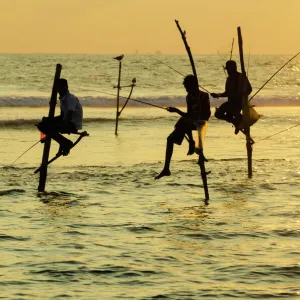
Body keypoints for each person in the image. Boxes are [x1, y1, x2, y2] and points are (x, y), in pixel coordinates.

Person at [155, 75, 211, 180]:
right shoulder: (188, 97)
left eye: (187, 87)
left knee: (183, 123)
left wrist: (194, 115)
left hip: (201, 123)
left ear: (193, 85)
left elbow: (207, 114)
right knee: (170, 138)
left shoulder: (204, 96)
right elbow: (188, 115)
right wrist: (176, 111)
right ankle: (166, 168)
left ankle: (194, 146)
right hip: (189, 123)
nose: (186, 89)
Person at [37, 78, 83, 156]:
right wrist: (49, 120)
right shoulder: (62, 99)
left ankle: (65, 143)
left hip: (72, 124)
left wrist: (54, 124)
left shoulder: (70, 98)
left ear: (65, 87)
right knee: (41, 125)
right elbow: (62, 116)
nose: (58, 90)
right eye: (57, 88)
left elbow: (69, 116)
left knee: (50, 128)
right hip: (66, 122)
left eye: (59, 88)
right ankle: (63, 142)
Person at [210, 60, 252, 134]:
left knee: (235, 113)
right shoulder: (229, 79)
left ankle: (239, 120)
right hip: (231, 102)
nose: (228, 71)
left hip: (239, 103)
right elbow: (227, 93)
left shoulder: (241, 77)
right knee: (218, 114)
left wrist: (242, 94)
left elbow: (249, 89)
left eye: (229, 69)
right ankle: (236, 122)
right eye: (227, 69)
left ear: (234, 68)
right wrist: (218, 95)